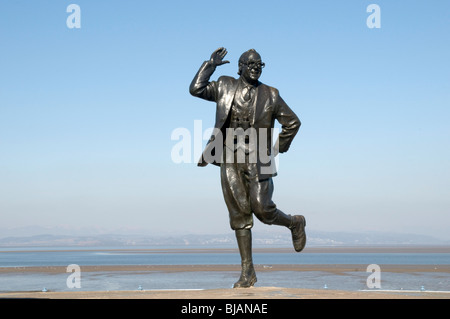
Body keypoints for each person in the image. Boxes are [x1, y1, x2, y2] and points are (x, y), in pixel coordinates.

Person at [189, 47, 306, 288]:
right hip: (229, 155)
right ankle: (248, 272)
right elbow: (196, 89)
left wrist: (278, 148)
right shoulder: (224, 85)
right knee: (239, 215)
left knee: (263, 209)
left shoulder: (271, 94)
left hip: (258, 155)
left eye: (259, 65)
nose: (255, 68)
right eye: (250, 64)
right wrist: (210, 65)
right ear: (240, 67)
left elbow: (293, 122)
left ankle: (294, 222)